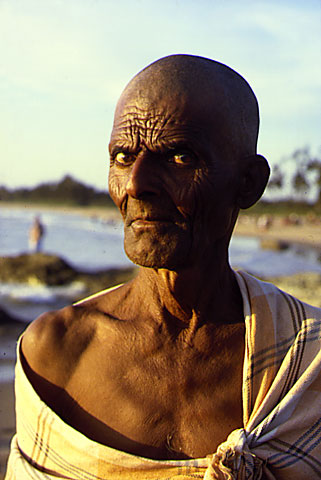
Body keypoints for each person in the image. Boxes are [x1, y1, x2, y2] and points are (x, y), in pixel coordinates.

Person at [5, 55, 321, 479]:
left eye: (178, 157)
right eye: (122, 155)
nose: (135, 183)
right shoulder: (55, 355)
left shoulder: (304, 367)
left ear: (248, 183)